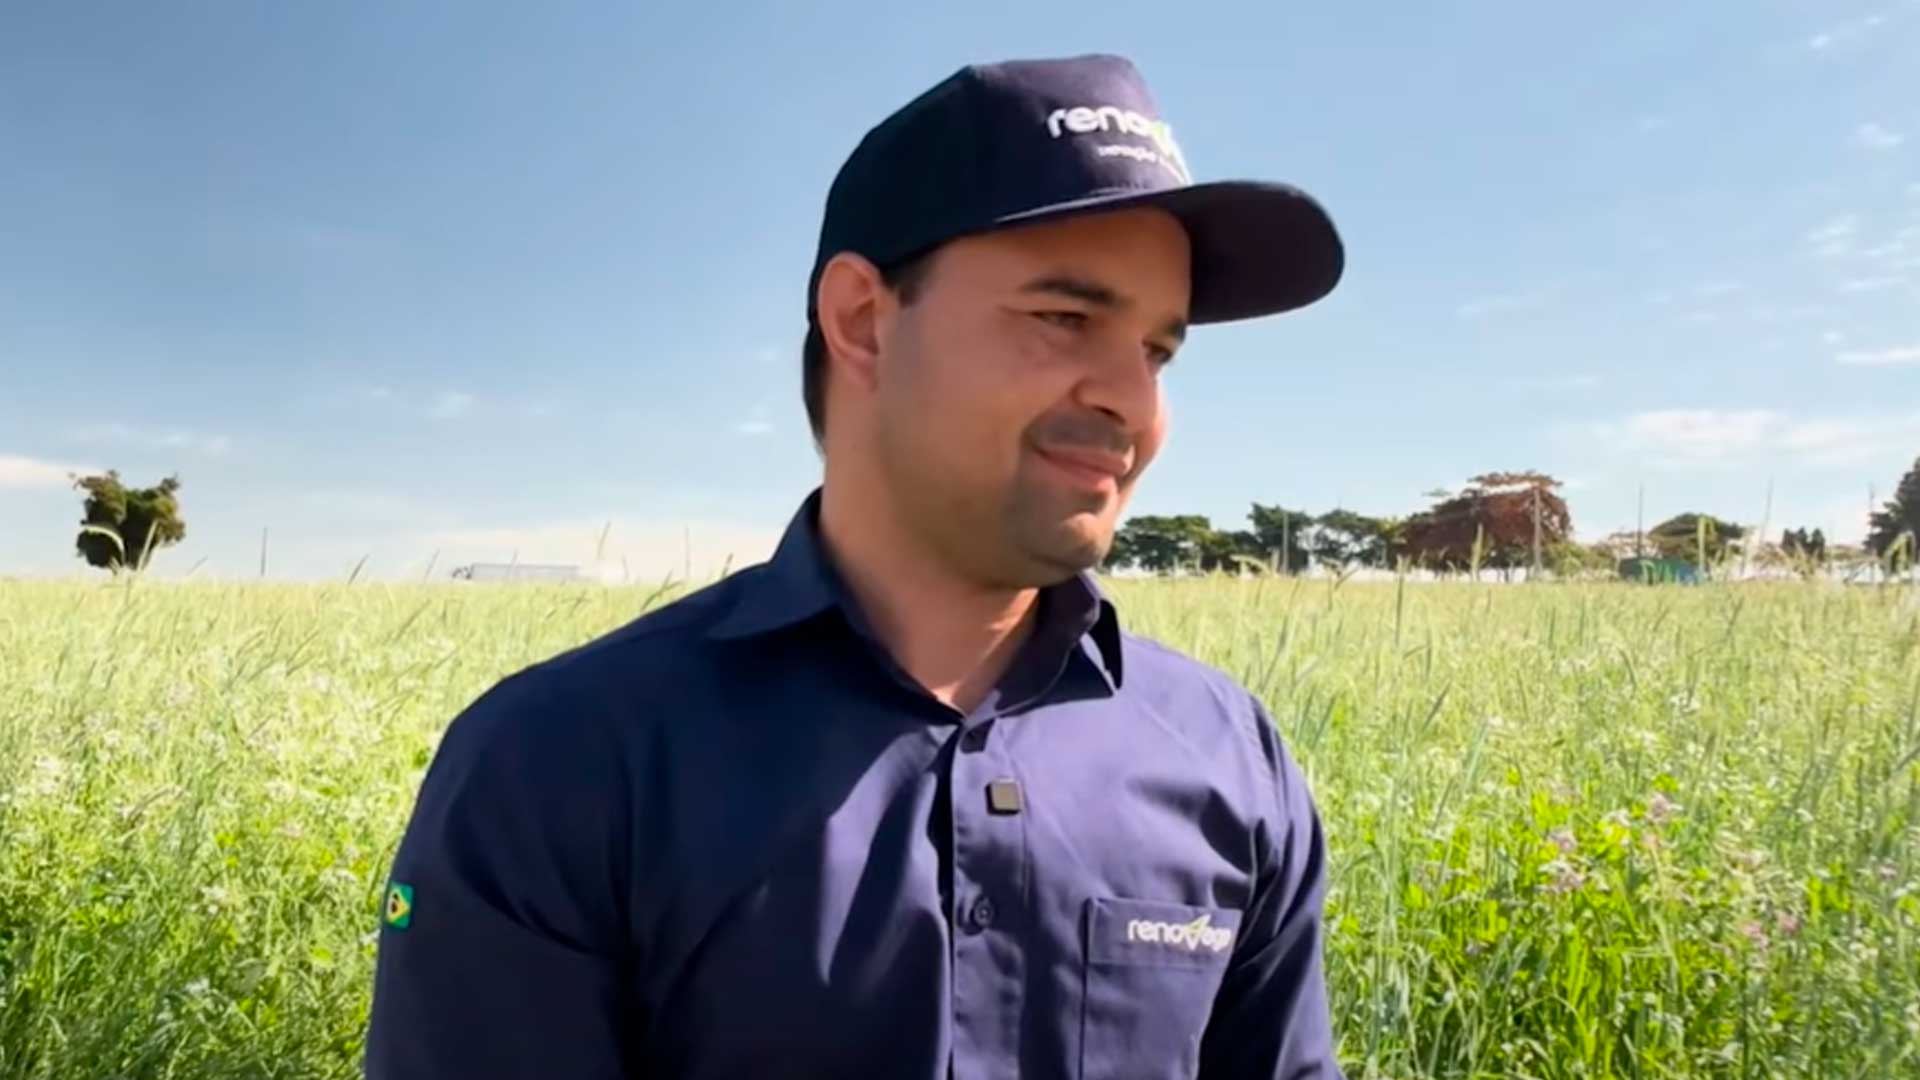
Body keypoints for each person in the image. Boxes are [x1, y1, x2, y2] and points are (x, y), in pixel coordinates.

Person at [364, 52, 1346, 1079]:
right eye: (1065, 318)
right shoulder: (562, 764)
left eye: (1157, 353)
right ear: (863, 322)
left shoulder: (1229, 757)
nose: (1132, 403)